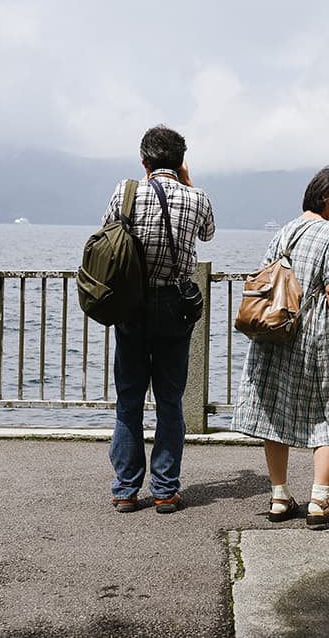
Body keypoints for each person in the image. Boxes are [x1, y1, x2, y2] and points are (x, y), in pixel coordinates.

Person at [231, 166, 329, 528]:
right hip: (312, 334)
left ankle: (279, 496)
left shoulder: (285, 231)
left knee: (275, 411)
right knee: (327, 412)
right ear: (328, 198)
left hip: (276, 331)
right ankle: (320, 499)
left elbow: (267, 278)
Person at [102, 125, 215, 514]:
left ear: (145, 161)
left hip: (132, 305)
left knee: (128, 400)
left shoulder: (125, 192)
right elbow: (209, 233)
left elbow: (107, 237)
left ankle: (126, 490)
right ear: (181, 161)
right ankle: (166, 489)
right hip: (174, 306)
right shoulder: (197, 198)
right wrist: (189, 182)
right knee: (170, 400)